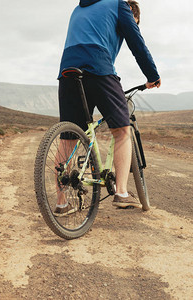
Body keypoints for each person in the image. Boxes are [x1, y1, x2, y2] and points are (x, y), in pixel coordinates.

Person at [55, 0, 161, 215]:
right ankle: (121, 193)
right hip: (98, 67)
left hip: (68, 70)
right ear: (133, 15)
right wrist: (152, 75)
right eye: (135, 23)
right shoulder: (119, 5)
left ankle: (61, 203)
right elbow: (137, 44)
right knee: (122, 131)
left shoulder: (79, 8)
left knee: (68, 137)